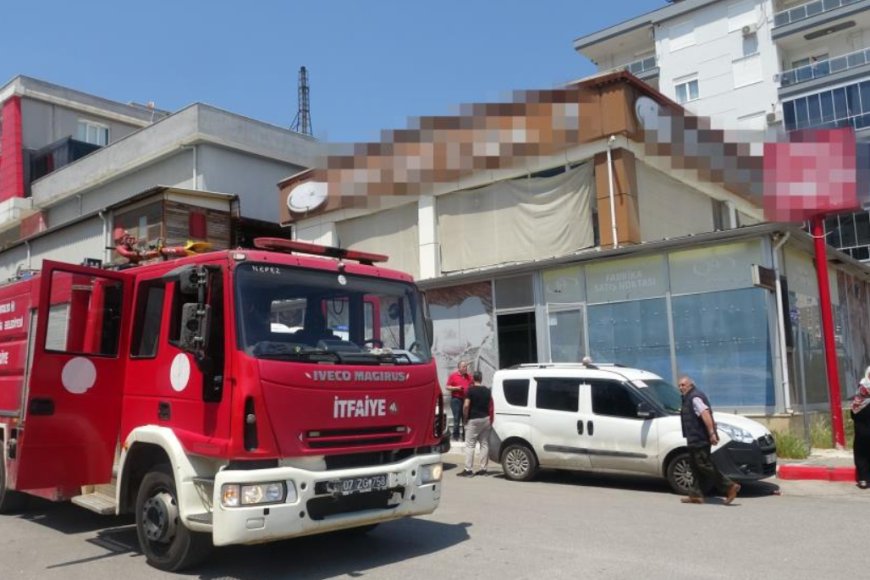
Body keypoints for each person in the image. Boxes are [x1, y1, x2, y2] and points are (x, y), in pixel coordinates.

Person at [677, 376, 740, 505]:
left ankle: (729, 486)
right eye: (679, 385)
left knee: (704, 465)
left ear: (690, 385)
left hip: (700, 438)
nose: (681, 387)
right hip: (694, 438)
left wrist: (711, 433)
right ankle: (696, 495)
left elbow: (706, 414)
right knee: (695, 466)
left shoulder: (695, 397)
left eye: (683, 385)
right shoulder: (688, 398)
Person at [457, 371, 493, 477]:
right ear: (481, 379)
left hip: (473, 419)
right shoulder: (487, 390)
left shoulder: (470, 390)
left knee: (470, 445)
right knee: (484, 444)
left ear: (473, 379)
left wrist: (465, 418)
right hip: (486, 419)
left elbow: (466, 405)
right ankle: (483, 469)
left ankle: (468, 470)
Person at [851, 366, 870, 489]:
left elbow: (853, 413)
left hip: (861, 431)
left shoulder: (861, 390)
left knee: (861, 452)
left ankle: (863, 479)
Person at [446, 360, 473, 441]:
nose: (465, 368)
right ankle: (456, 436)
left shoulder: (469, 376)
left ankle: (465, 437)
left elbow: (472, 385)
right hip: (456, 399)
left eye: (466, 366)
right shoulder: (453, 376)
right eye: (464, 367)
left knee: (465, 418)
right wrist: (456, 388)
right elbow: (447, 387)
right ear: (459, 368)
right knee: (456, 418)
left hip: (466, 400)